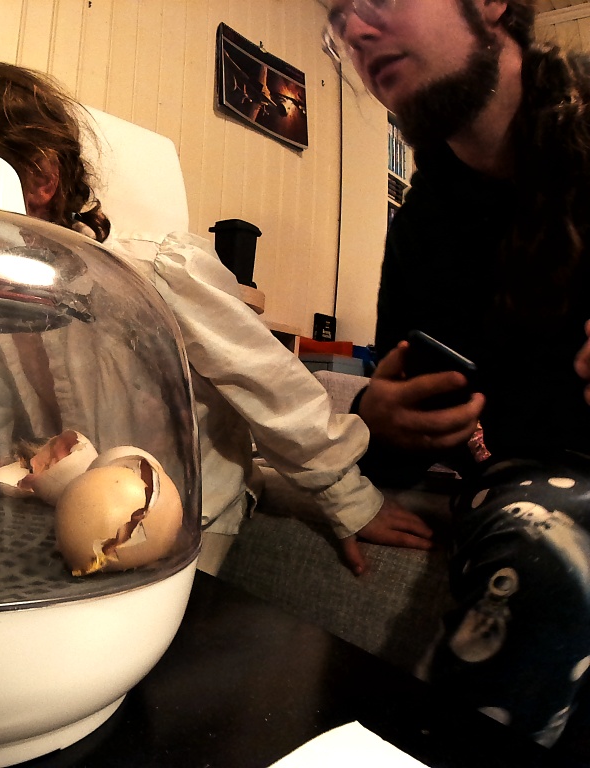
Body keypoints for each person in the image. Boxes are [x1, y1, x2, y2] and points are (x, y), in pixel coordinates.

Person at [0, 60, 433, 575]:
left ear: (39, 179)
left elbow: (269, 384)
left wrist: (348, 497)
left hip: (195, 511)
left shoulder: (157, 272)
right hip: (73, 504)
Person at [325, 0, 590, 746]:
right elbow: (404, 438)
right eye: (337, 16)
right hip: (529, 478)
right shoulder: (425, 225)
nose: (354, 29)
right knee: (545, 552)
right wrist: (381, 417)